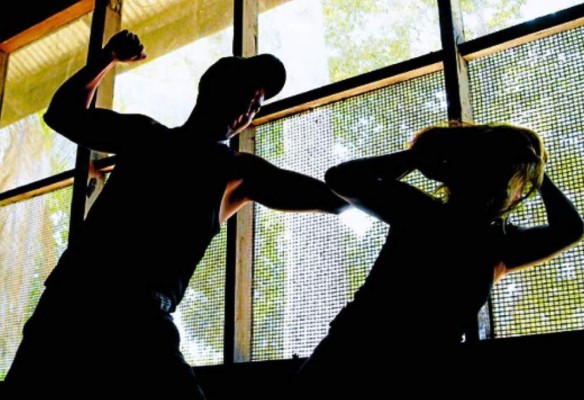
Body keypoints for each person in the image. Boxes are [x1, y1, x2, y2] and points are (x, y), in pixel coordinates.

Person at [4, 30, 348, 397]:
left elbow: (326, 196)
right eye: (244, 95)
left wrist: (370, 190)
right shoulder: (147, 137)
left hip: (124, 315)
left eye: (256, 106)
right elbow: (62, 115)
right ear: (211, 90)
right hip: (77, 302)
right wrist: (107, 57)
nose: (248, 111)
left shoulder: (235, 171)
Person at [293, 123, 584, 397]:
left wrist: (415, 158)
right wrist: (537, 173)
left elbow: (343, 178)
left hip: (357, 352)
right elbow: (340, 178)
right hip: (393, 361)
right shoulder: (490, 241)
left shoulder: (423, 213)